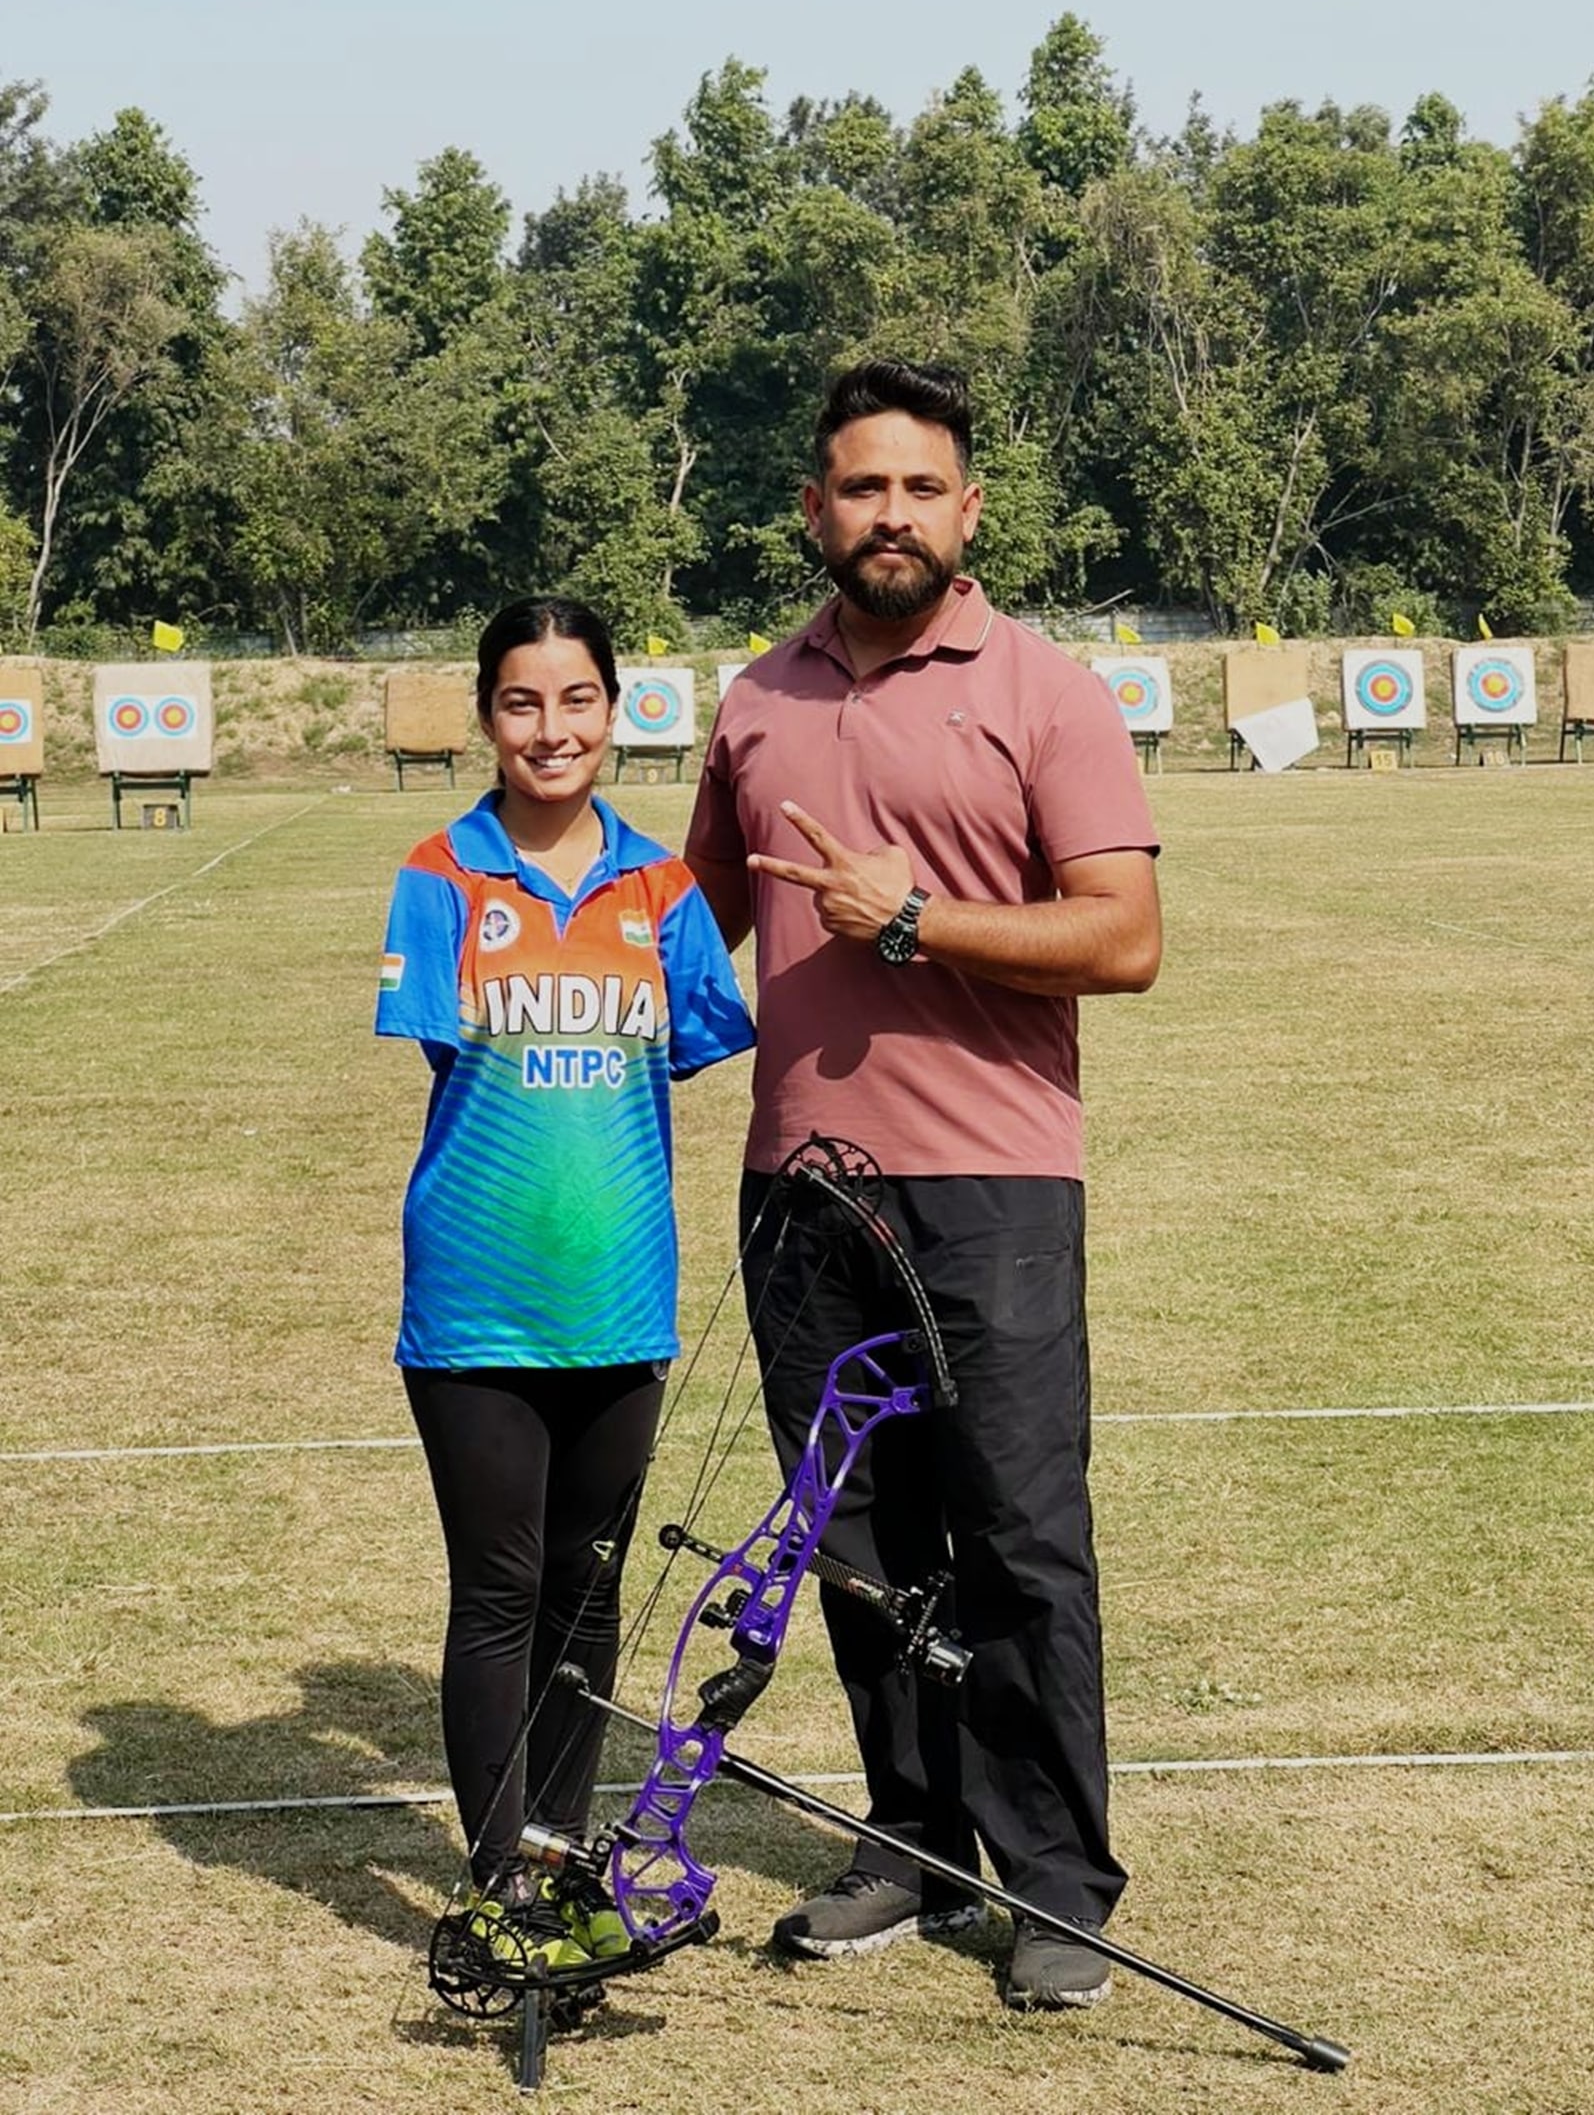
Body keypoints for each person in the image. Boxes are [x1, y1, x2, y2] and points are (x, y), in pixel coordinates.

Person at [685, 361, 1161, 2011]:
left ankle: (1054, 1878)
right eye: (857, 487)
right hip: (800, 1186)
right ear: (813, 511)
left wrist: (917, 917)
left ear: (969, 510)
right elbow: (694, 933)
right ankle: (913, 1836)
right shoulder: (754, 701)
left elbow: (1125, 937)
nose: (888, 513)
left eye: (918, 487)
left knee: (1023, 1532)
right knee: (860, 1537)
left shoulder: (1045, 689)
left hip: (996, 1183)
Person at [377, 595, 754, 1969]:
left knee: (588, 1602)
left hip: (622, 1301)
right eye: (525, 702)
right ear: (488, 714)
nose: (554, 728)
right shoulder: (440, 873)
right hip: (474, 1302)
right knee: (499, 1591)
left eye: (580, 698)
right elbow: (450, 1067)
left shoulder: (665, 892)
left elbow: (698, 1047)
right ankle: (496, 1885)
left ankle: (560, 1855)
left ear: (615, 709)